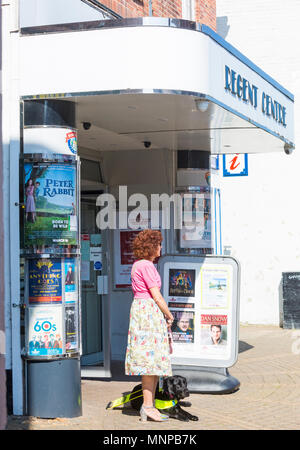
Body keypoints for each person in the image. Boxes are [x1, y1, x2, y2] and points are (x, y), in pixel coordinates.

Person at [125, 229, 174, 422]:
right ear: (152, 247)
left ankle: (149, 405)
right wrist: (169, 315)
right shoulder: (146, 266)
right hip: (148, 314)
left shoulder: (139, 265)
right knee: (149, 361)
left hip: (143, 312)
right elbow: (157, 295)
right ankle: (147, 406)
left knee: (151, 362)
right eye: (159, 244)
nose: (161, 247)